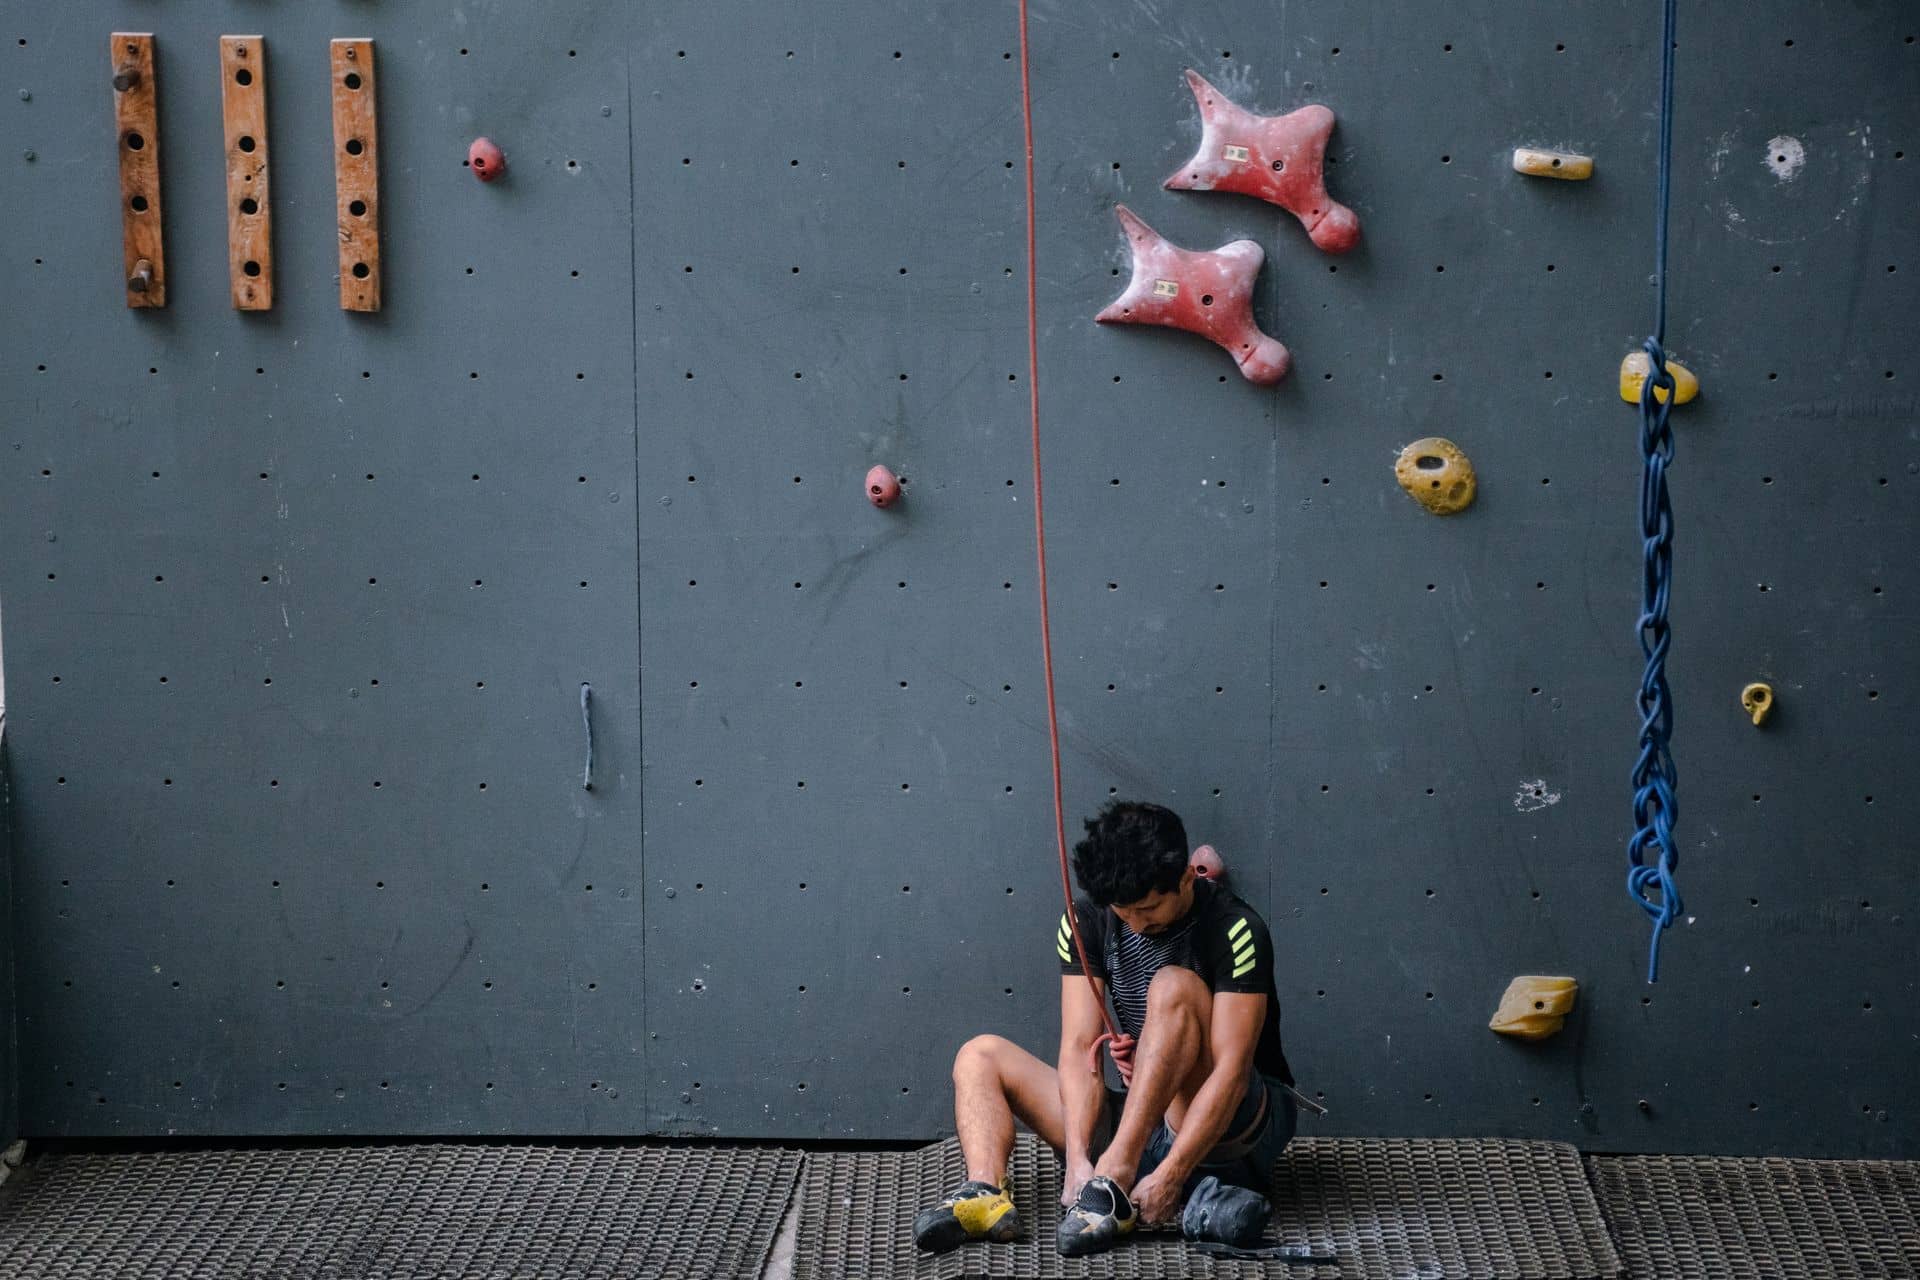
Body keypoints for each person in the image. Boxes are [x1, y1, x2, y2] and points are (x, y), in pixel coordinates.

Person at [912, 800, 1297, 1257]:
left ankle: (1120, 1176)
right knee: (979, 1055)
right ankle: (986, 1193)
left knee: (1173, 985)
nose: (1135, 923)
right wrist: (1077, 1160)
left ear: (1185, 878)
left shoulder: (1235, 929)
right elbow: (1078, 1047)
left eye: (1149, 908)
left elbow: (1231, 1073)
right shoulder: (1086, 921)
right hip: (1146, 1117)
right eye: (1123, 911)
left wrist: (1170, 1174)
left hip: (1236, 1128)